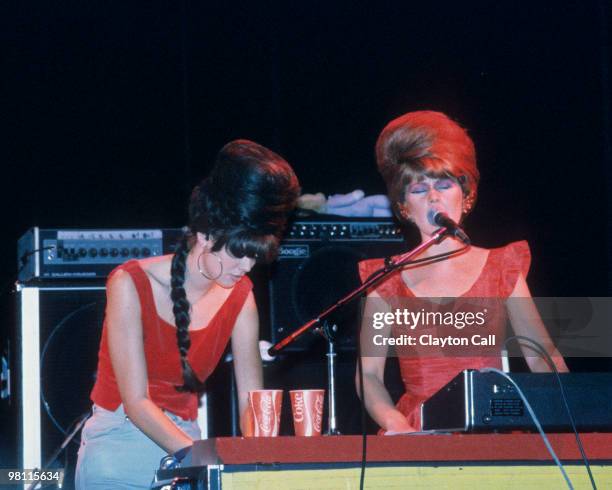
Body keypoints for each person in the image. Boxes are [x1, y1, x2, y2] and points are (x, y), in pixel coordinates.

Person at [75, 139, 300, 488]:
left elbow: (250, 402)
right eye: (239, 253)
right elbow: (136, 402)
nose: (247, 266)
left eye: (256, 256)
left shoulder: (241, 297)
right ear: (206, 233)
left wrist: (255, 459)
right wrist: (206, 461)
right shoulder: (129, 282)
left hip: (189, 442)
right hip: (118, 443)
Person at [356, 111, 568, 434]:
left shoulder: (502, 268)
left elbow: (542, 357)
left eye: (444, 184)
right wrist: (395, 422)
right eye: (418, 189)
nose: (433, 196)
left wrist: (574, 420)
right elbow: (368, 375)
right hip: (417, 433)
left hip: (492, 431)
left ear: (465, 196)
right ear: (403, 207)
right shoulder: (386, 282)